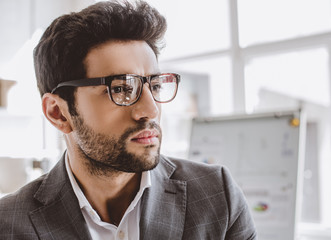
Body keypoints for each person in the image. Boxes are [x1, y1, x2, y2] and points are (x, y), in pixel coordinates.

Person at [0, 1, 257, 239]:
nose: (151, 110)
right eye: (121, 89)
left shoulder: (216, 196)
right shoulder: (8, 224)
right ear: (58, 112)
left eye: (154, 86)